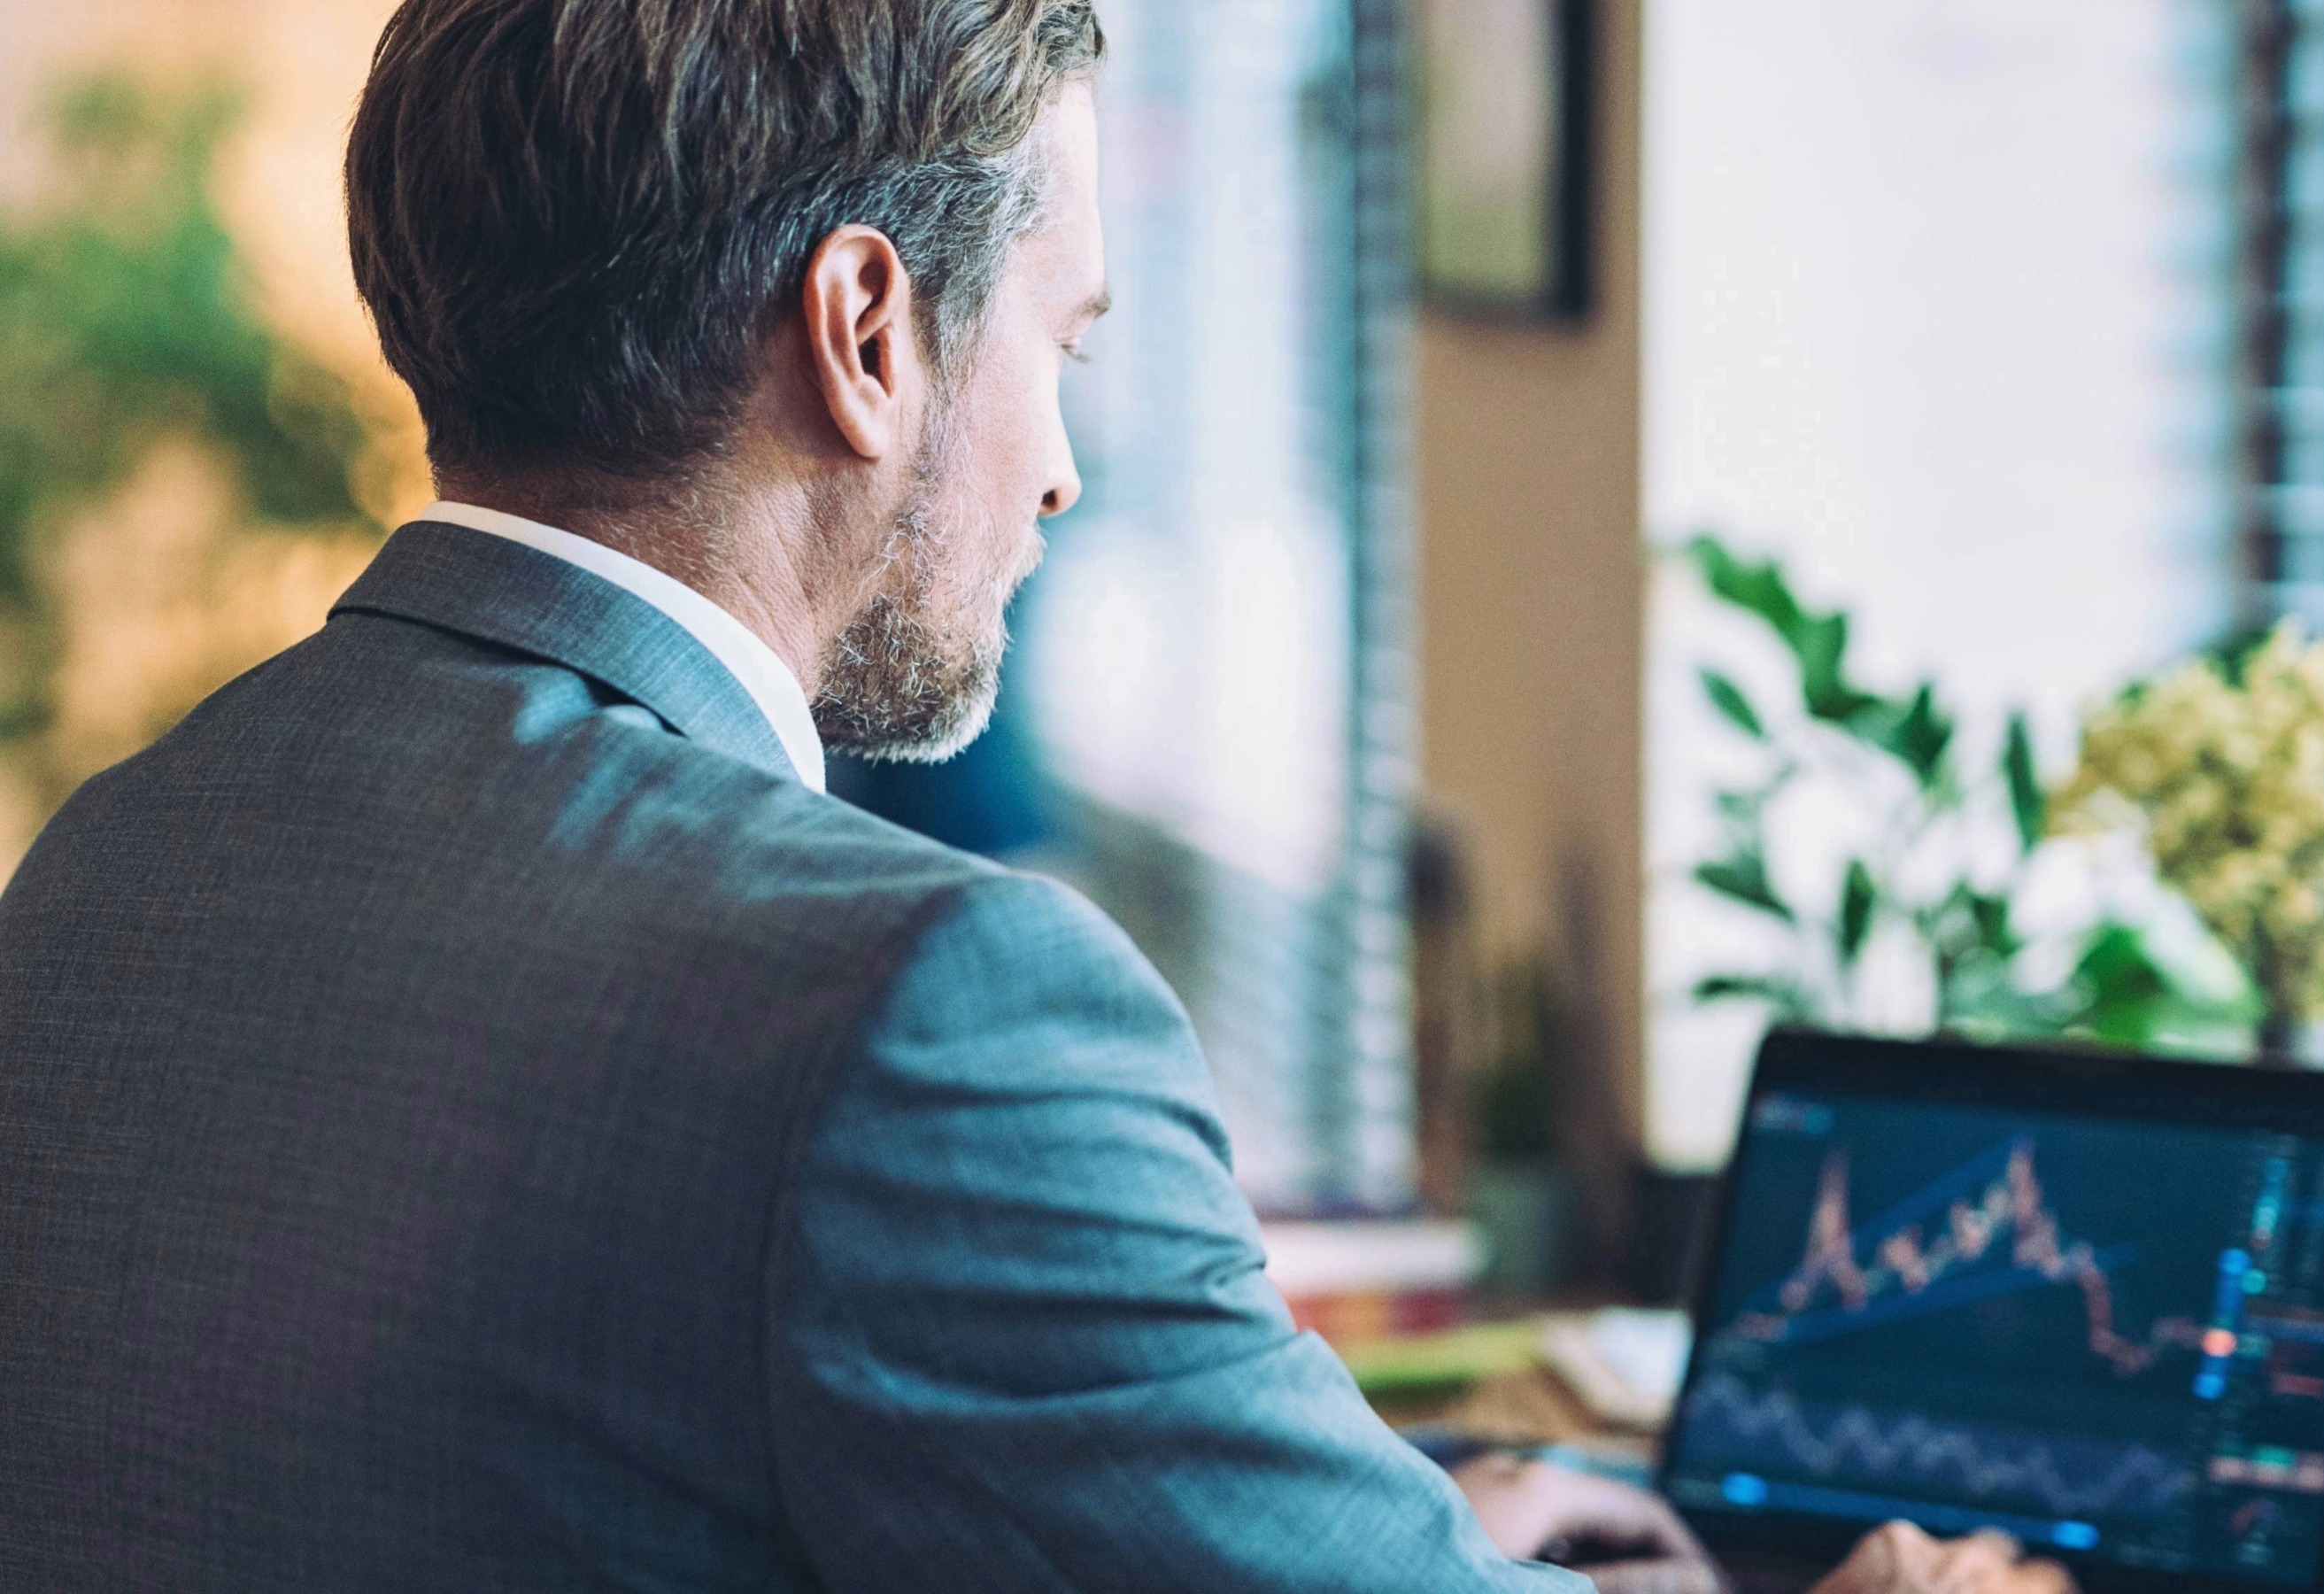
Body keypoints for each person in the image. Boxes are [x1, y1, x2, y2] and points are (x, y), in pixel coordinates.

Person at [0, 4, 2073, 1592]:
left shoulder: (117, 855)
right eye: (1061, 342)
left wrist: (1338, 1504)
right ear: (868, 333)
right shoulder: (910, 1002)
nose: (1065, 466)